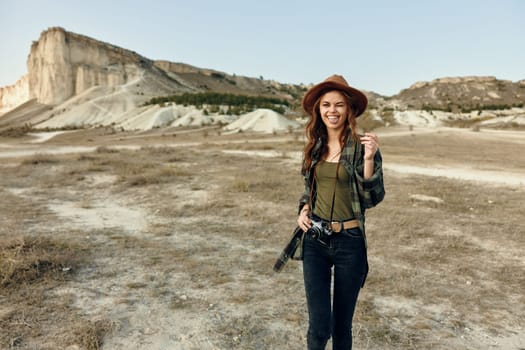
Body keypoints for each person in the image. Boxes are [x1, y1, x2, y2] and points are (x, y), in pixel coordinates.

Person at [297, 74, 385, 349]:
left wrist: (369, 159)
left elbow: (371, 198)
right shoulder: (314, 146)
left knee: (341, 328)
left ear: (349, 110)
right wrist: (303, 209)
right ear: (318, 110)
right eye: (326, 105)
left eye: (338, 105)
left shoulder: (362, 147)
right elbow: (309, 188)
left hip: (350, 242)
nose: (332, 110)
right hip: (315, 241)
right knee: (319, 327)